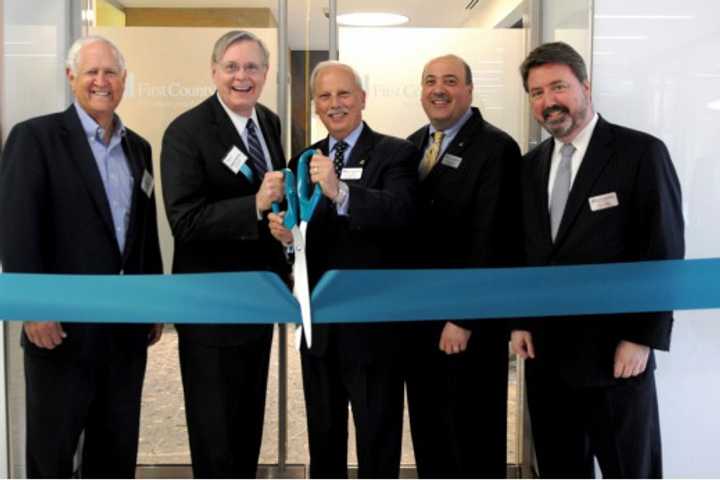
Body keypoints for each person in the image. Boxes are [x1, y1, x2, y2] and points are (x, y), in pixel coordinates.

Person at [511, 41, 684, 478]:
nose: (549, 101)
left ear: (585, 87)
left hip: (616, 356)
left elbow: (662, 249)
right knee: (559, 469)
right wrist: (520, 319)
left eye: (558, 87)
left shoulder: (640, 153)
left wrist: (642, 336)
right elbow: (525, 252)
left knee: (630, 469)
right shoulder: (529, 167)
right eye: (536, 92)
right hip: (548, 357)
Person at [0, 35, 163, 478]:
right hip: (60, 333)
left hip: (124, 334)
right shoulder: (35, 138)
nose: (101, 81)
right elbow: (16, 229)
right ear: (71, 78)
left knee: (114, 455)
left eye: (111, 72)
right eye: (91, 72)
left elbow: (143, 237)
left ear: (124, 80)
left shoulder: (139, 148)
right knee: (52, 456)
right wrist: (34, 307)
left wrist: (154, 306)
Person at [268, 61, 418, 478]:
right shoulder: (302, 159)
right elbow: (299, 234)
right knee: (323, 436)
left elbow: (402, 213)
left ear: (363, 98)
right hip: (319, 328)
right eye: (325, 97)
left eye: (344, 94)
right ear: (315, 106)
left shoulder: (396, 152)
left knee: (377, 439)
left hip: (373, 327)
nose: (335, 105)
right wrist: (285, 237)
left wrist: (341, 192)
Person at [160, 30, 287, 478]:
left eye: (252, 67)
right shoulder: (186, 132)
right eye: (232, 67)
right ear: (214, 72)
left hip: (258, 301)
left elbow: (278, 205)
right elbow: (185, 221)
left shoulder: (268, 124)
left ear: (266, 74)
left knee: (248, 423)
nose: (242, 76)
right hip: (210, 306)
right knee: (214, 432)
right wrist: (252, 205)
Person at [404, 54, 523, 478]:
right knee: (430, 433)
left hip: (467, 326)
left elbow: (494, 239)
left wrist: (463, 317)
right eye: (430, 80)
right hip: (419, 320)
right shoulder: (413, 144)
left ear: (469, 91)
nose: (438, 89)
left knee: (471, 436)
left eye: (450, 81)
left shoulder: (497, 147)